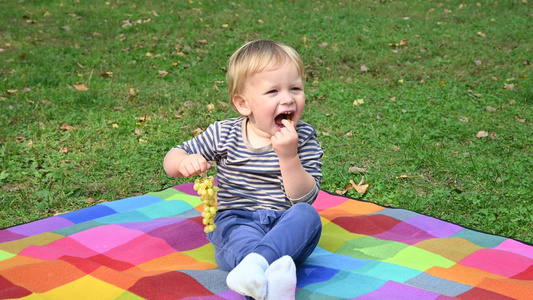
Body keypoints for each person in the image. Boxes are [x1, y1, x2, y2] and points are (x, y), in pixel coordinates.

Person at [163, 40, 323, 300]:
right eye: (273, 91)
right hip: (237, 219)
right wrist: (183, 162)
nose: (288, 98)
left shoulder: (303, 137)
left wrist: (289, 156)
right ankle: (268, 276)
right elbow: (172, 157)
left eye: (295, 88)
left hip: (285, 225)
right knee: (237, 238)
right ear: (243, 104)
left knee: (307, 215)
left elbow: (304, 198)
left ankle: (257, 271)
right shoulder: (224, 133)